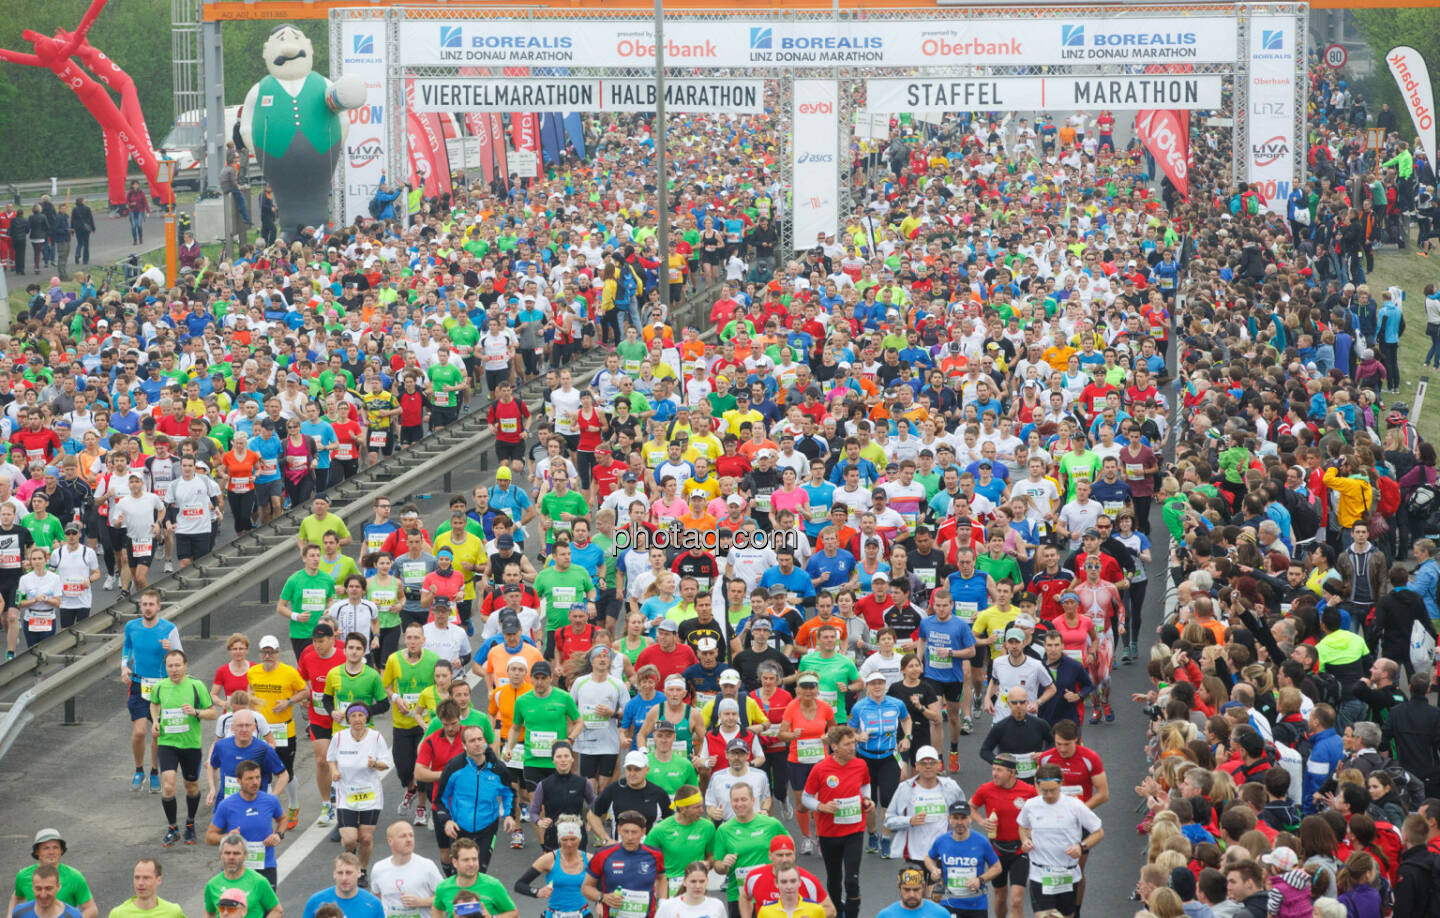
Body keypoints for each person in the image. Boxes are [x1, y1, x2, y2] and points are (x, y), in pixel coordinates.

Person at [1016, 763, 1103, 918]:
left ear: (1061, 783)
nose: (1049, 795)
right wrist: (1025, 840)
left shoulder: (1074, 805)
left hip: (1067, 874)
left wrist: (1081, 846)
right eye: (1044, 791)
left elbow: (1098, 832)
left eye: (1053, 790)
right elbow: (1022, 826)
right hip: (1040, 874)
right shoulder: (1031, 805)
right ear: (1037, 785)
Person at [151, 647, 219, 846]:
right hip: (167, 743)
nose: (174, 669)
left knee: (192, 786)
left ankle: (190, 823)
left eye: (177, 665)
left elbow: (212, 713)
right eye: (170, 666)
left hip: (190, 745)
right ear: (166, 668)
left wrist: (195, 711)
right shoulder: (160, 687)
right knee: (168, 784)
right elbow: (154, 704)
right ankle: (173, 828)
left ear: (185, 666)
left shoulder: (196, 685)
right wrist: (155, 721)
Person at [803, 726, 872, 918]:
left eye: (853, 743)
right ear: (834, 747)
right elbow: (806, 797)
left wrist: (867, 800)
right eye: (847, 744)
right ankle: (835, 912)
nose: (852, 748)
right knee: (834, 880)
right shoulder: (820, 769)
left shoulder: (860, 765)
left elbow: (865, 784)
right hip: (829, 832)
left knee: (851, 880)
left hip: (854, 830)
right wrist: (821, 806)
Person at [433, 724, 517, 871]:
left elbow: (508, 792)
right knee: (459, 872)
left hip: (487, 827)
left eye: (480, 739)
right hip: (460, 827)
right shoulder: (454, 767)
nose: (478, 743)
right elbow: (440, 800)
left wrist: (509, 815)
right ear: (464, 745)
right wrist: (447, 821)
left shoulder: (498, 768)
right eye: (472, 741)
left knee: (479, 871)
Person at [328, 701, 394, 879]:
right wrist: (334, 771)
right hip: (346, 794)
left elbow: (386, 763)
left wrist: (375, 764)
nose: (357, 719)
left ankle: (361, 870)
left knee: (365, 838)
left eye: (361, 715)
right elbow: (331, 759)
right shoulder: (339, 737)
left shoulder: (376, 737)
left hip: (370, 795)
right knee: (349, 839)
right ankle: (351, 859)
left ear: (367, 718)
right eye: (353, 716)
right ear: (348, 719)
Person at [966, 755, 1036, 918]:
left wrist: (1031, 834)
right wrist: (982, 822)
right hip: (996, 851)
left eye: (999, 770)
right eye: (993, 769)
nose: (994, 774)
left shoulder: (1029, 791)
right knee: (999, 898)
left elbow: (1040, 814)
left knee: (1017, 900)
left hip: (1020, 851)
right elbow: (970, 807)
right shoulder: (986, 789)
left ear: (1012, 772)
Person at [208, 760, 286, 888]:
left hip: (266, 867)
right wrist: (227, 837)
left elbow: (282, 819)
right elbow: (209, 837)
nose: (255, 782)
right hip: (235, 869)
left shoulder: (270, 800)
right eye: (249, 778)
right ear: (239, 781)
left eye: (258, 777)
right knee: (234, 907)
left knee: (268, 908)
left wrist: (278, 835)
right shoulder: (226, 805)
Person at [883, 745, 965, 865]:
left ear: (938, 765)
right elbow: (889, 821)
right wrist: (909, 820)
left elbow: (965, 817)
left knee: (939, 885)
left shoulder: (951, 787)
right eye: (923, 763)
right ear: (916, 766)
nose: (928, 766)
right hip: (913, 857)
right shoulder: (905, 788)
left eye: (932, 763)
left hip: (944, 855)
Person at [582, 811, 667, 918]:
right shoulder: (603, 855)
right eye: (625, 831)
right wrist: (603, 897)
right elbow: (586, 887)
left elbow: (661, 878)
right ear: (618, 830)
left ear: (643, 832)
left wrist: (662, 904)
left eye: (634, 832)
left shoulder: (655, 855)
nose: (629, 837)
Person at [925, 801, 1001, 918]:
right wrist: (934, 869)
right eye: (956, 818)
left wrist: (980, 880)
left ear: (970, 819)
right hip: (949, 903)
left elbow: (997, 867)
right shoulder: (942, 840)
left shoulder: (981, 841)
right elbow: (929, 858)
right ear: (949, 818)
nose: (960, 822)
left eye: (963, 818)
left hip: (976, 905)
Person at [512, 818, 592, 917]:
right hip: (554, 914)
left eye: (573, 839)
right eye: (564, 839)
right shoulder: (549, 859)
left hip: (583, 914)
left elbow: (605, 884)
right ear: (559, 840)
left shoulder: (589, 859)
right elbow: (519, 885)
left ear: (579, 839)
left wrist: (600, 901)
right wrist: (537, 892)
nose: (569, 844)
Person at [740, 835, 834, 918]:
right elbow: (744, 897)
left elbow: (830, 910)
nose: (784, 859)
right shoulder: (755, 876)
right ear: (770, 856)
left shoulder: (808, 880)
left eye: (788, 854)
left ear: (794, 855)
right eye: (780, 855)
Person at [8, 830, 96, 918]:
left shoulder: (75, 876)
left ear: (61, 850)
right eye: (46, 848)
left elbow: (91, 909)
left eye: (55, 847)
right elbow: (17, 897)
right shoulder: (23, 875)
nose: (51, 852)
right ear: (37, 851)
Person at [370, 821, 445, 918]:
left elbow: (443, 896)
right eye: (403, 836)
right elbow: (375, 897)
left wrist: (421, 902)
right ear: (390, 841)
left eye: (411, 835)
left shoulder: (427, 866)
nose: (409, 839)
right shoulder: (379, 868)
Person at [430, 837, 519, 918]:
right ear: (455, 862)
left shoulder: (493, 885)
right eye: (466, 860)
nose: (471, 864)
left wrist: (492, 917)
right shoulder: (443, 888)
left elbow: (514, 914)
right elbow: (437, 908)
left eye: (474, 859)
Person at [204, 833, 283, 918]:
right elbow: (209, 912)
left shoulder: (259, 882)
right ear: (221, 855)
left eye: (236, 853)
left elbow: (277, 910)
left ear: (245, 856)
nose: (231, 857)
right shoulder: (212, 885)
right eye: (227, 853)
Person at [301, 854, 386, 918]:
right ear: (334, 874)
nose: (344, 878)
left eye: (349, 873)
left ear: (359, 873)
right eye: (340, 873)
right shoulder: (316, 901)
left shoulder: (373, 904)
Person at [105, 859, 185, 918]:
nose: (140, 883)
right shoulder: (118, 914)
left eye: (146, 878)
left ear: (159, 880)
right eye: (137, 877)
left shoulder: (174, 912)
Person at [873, 867, 950, 918]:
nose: (912, 895)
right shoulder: (885, 915)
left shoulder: (941, 914)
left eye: (916, 889)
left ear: (923, 887)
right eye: (906, 889)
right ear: (899, 887)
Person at [755, 866, 827, 918]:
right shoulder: (765, 911)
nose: (789, 886)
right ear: (776, 884)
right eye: (784, 882)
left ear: (800, 882)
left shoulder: (816, 909)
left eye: (793, 881)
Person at [11, 867, 83, 918]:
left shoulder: (73, 916)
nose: (43, 895)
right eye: (38, 889)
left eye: (48, 888)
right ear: (32, 887)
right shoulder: (20, 913)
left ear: (58, 887)